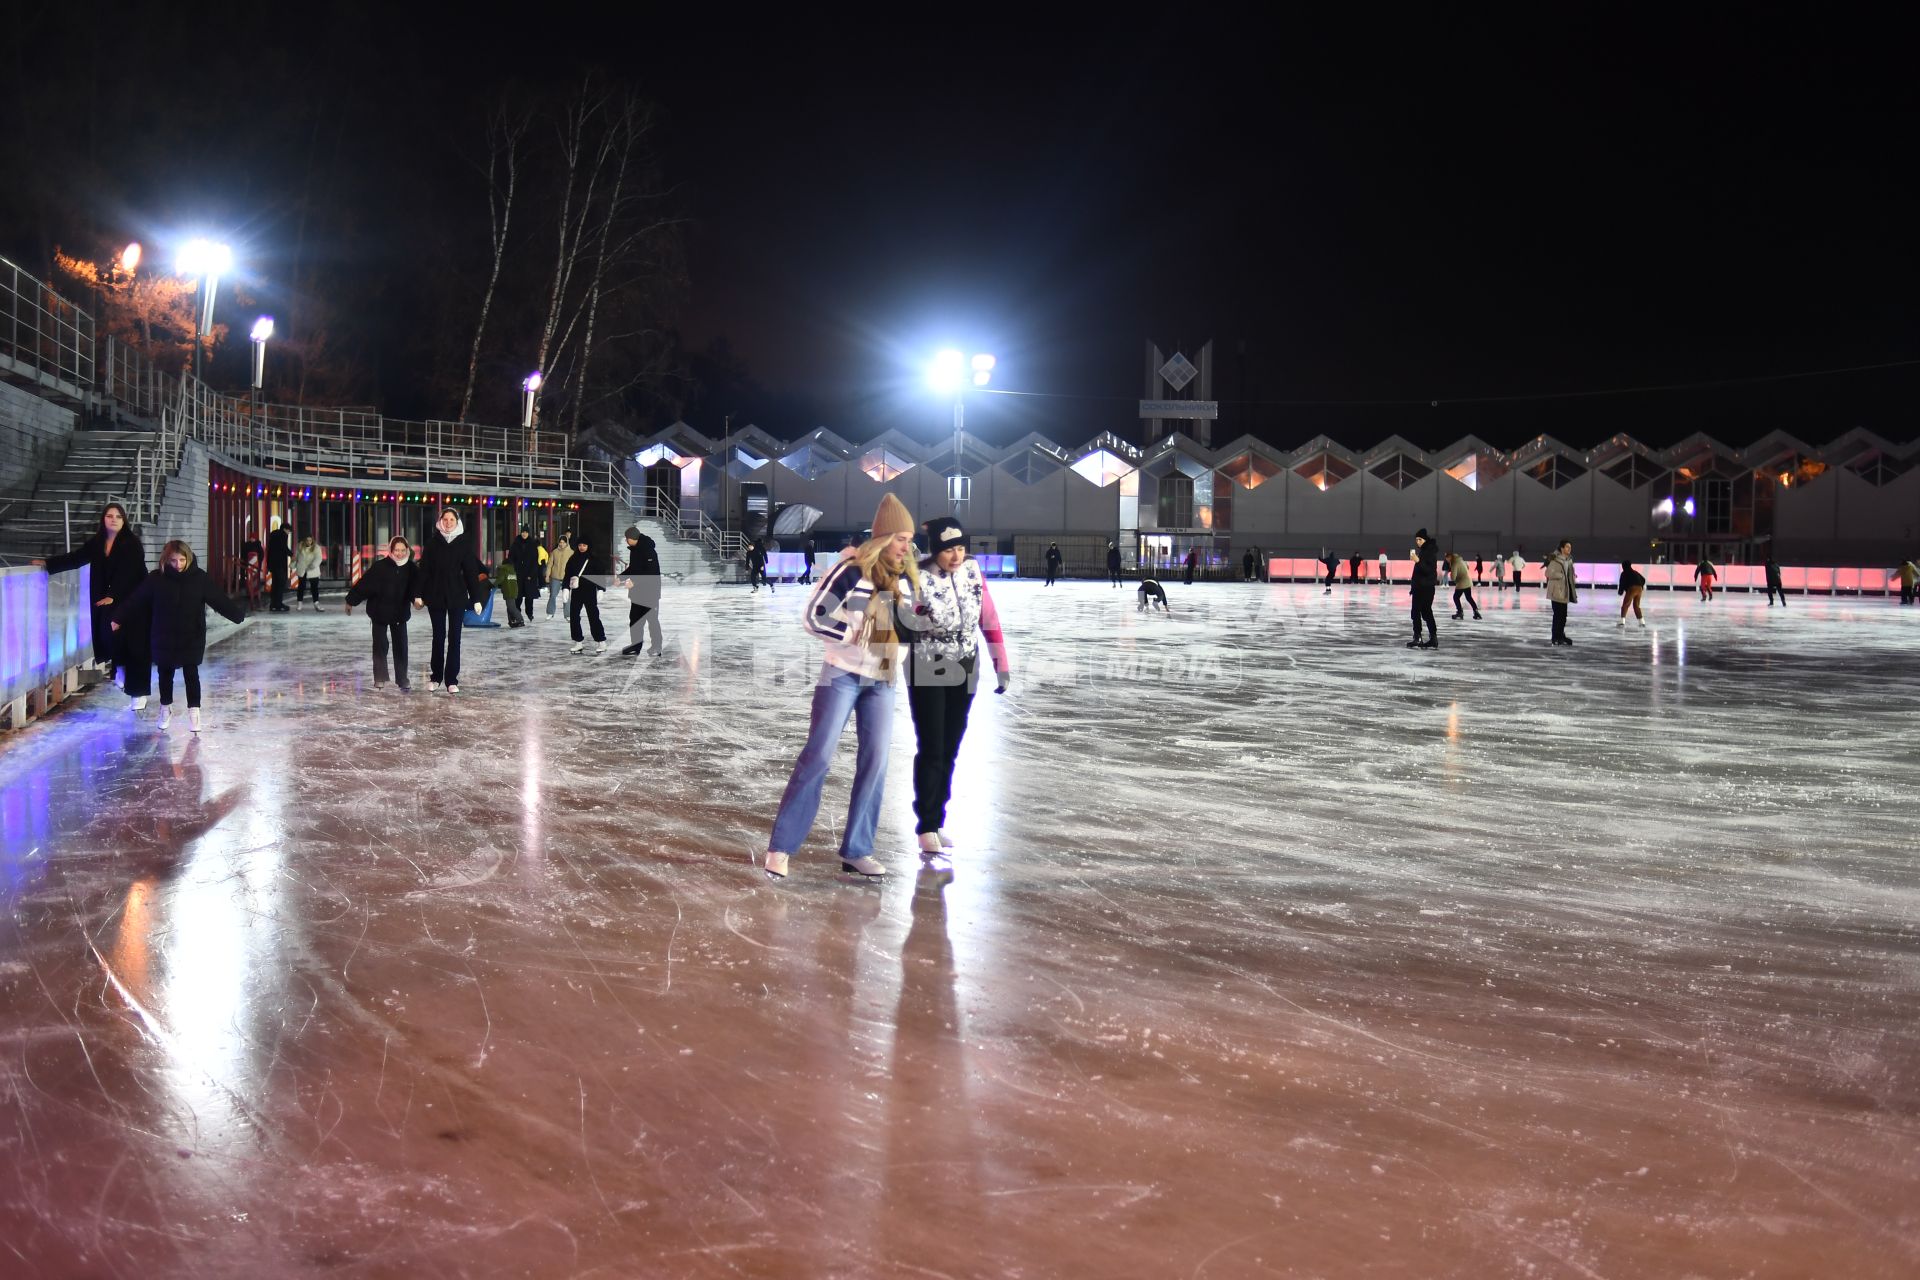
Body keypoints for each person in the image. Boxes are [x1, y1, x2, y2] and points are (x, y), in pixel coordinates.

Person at [765, 494, 920, 882]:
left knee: (876, 762)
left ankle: (858, 849)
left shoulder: (908, 580)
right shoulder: (851, 571)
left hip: (883, 682)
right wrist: (854, 634)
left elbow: (909, 626)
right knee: (818, 755)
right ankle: (781, 847)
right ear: (883, 538)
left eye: (909, 539)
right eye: (900, 538)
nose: (906, 546)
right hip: (842, 676)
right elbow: (814, 616)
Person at [905, 516, 1012, 859]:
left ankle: (938, 821)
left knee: (951, 746)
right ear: (935, 549)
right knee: (933, 746)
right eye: (948, 549)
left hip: (966, 663)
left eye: (961, 548)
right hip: (929, 663)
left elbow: (989, 618)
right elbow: (896, 622)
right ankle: (926, 824)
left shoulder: (972, 572)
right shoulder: (915, 577)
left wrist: (1001, 663)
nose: (956, 556)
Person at [111, 540, 244, 732]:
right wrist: (118, 617)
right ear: (166, 560)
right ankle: (165, 708)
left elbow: (218, 599)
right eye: (173, 561)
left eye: (182, 560)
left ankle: (194, 712)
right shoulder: (156, 579)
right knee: (165, 674)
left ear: (189, 558)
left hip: (192, 635)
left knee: (191, 674)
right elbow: (136, 600)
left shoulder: (199, 578)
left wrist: (237, 615)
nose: (178, 565)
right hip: (163, 634)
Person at [34, 502, 150, 706]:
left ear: (124, 521)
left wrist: (114, 595)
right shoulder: (98, 543)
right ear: (103, 520)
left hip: (132, 598)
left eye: (118, 516)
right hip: (107, 600)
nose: (113, 519)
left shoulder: (132, 544)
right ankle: (119, 667)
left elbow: (130, 574)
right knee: (109, 635)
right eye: (109, 516)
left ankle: (136, 691)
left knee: (131, 642)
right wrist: (48, 563)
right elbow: (76, 558)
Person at [416, 507, 487, 694]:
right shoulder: (432, 543)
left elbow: (471, 572)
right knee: (438, 638)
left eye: (451, 520)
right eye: (445, 519)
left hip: (457, 597)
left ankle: (451, 680)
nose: (448, 523)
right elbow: (424, 571)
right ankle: (436, 677)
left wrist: (477, 598)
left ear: (457, 522)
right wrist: (418, 594)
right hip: (436, 596)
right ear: (440, 521)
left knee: (455, 639)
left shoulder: (463, 543)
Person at [345, 536, 419, 690]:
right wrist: (351, 600)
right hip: (379, 612)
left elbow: (416, 588)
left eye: (402, 550)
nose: (399, 553)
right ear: (391, 550)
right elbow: (364, 585)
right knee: (380, 645)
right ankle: (380, 677)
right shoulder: (380, 567)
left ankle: (402, 679)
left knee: (401, 647)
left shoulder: (411, 569)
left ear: (407, 551)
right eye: (396, 550)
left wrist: (417, 599)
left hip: (399, 613)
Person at [617, 525, 664, 657]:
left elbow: (651, 572)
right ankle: (636, 646)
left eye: (627, 538)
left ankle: (657, 647)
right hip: (637, 594)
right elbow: (633, 569)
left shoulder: (649, 551)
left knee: (652, 620)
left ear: (632, 538)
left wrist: (635, 582)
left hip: (650, 593)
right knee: (635, 620)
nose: (626, 541)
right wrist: (620, 578)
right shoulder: (635, 550)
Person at [566, 532, 609, 654]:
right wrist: (565, 588)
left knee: (593, 616)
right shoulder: (573, 559)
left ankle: (601, 641)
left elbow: (600, 575)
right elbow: (567, 575)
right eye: (580, 545)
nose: (582, 547)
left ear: (588, 546)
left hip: (589, 591)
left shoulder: (593, 559)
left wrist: (600, 589)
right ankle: (578, 641)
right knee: (574, 616)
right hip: (576, 592)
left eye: (584, 545)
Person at [1408, 530, 1439, 649]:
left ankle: (1418, 637)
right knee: (1426, 611)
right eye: (1416, 540)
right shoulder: (1425, 551)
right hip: (1423, 587)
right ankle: (1433, 638)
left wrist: (1418, 561)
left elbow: (1428, 570)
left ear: (1425, 540)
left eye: (1420, 539)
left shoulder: (1428, 553)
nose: (1418, 542)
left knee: (1417, 612)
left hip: (1424, 587)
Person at [1545, 539, 1577, 646]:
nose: (1569, 549)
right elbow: (1548, 573)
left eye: (1570, 547)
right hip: (1557, 592)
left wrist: (1572, 576)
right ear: (1562, 548)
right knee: (1558, 615)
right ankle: (1555, 637)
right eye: (1567, 547)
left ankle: (1561, 636)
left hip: (1565, 591)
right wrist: (1561, 575)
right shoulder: (1555, 559)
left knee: (1563, 616)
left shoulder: (1569, 560)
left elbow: (1570, 572)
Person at [509, 527, 543, 624]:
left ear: (528, 533)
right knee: (518, 595)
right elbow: (511, 558)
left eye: (526, 532)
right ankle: (517, 613)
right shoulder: (515, 544)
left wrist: (531, 574)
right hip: (518, 573)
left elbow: (534, 561)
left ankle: (529, 613)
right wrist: (514, 569)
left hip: (529, 574)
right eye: (523, 532)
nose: (524, 534)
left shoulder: (532, 544)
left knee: (529, 596)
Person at [266, 515, 293, 612]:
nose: (289, 533)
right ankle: (278, 604)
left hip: (273, 564)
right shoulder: (283, 535)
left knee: (275, 584)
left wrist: (268, 564)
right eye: (289, 531)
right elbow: (283, 548)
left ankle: (273, 604)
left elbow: (269, 551)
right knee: (281, 584)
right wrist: (291, 554)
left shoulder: (273, 535)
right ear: (285, 529)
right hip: (280, 564)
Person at [545, 532, 573, 619]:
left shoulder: (571, 552)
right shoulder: (554, 552)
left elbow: (574, 566)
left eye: (563, 542)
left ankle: (568, 615)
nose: (561, 544)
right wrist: (547, 575)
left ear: (566, 543)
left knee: (566, 596)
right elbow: (549, 565)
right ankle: (550, 612)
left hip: (566, 578)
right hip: (555, 577)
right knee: (552, 595)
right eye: (560, 542)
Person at [291, 535, 323, 611]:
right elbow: (296, 556)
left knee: (314, 587)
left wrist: (313, 565)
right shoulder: (299, 546)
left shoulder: (316, 548)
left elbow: (319, 558)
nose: (308, 542)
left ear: (312, 541)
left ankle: (316, 603)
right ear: (304, 540)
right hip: (302, 568)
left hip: (313, 570)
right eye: (307, 540)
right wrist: (292, 564)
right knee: (301, 587)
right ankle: (299, 603)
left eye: (310, 540)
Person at [1447, 552, 1483, 620]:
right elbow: (1467, 567)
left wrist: (1452, 575)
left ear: (1450, 557)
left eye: (1447, 558)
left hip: (1461, 582)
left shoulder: (1454, 563)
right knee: (1469, 597)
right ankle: (1476, 612)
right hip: (1467, 581)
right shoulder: (1461, 560)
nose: (1446, 560)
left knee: (1456, 597)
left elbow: (1453, 577)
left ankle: (1460, 612)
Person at [239, 530, 265, 611]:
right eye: (251, 537)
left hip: (254, 566)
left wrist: (258, 562)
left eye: (253, 538)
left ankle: (254, 592)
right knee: (251, 578)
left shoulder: (257, 545)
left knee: (254, 579)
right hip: (250, 566)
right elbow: (244, 554)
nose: (252, 539)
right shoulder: (249, 545)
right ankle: (251, 592)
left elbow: (261, 555)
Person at [1618, 560, 1647, 628]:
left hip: (1632, 588)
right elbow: (1643, 579)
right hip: (1639, 589)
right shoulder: (1635, 572)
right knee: (1636, 606)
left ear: (1623, 566)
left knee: (1625, 604)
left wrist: (1620, 592)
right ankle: (1642, 622)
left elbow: (1621, 584)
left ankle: (1622, 621)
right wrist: (1640, 586)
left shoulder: (1624, 573)